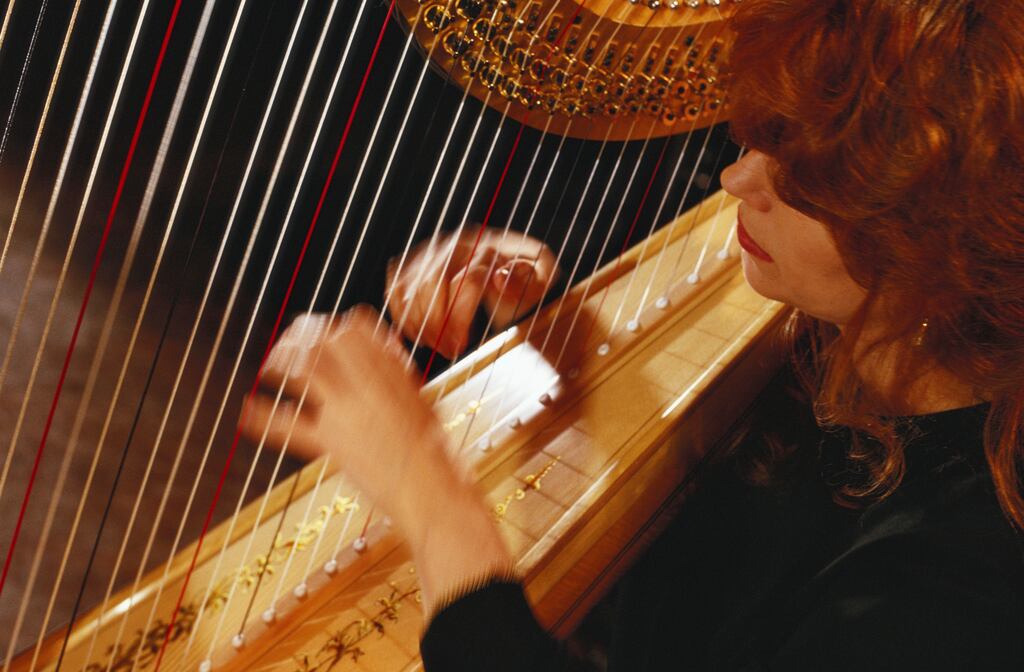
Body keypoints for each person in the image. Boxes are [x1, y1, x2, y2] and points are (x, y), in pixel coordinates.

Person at [241, 0, 1024, 669]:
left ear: (942, 240)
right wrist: (555, 318)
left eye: (806, 181)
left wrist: (428, 493)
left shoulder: (959, 586)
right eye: (757, 138)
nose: (736, 180)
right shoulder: (883, 340)